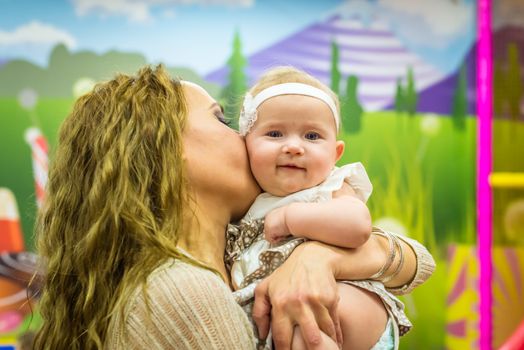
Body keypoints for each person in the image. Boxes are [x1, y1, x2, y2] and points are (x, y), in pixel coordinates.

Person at [32, 65, 435, 350]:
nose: (244, 139)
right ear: (168, 148)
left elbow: (420, 262)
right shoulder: (184, 293)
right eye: (223, 121)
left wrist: (319, 257)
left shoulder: (228, 248)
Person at [225, 67, 417, 350]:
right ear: (245, 144)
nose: (293, 147)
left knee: (306, 332)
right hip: (280, 317)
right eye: (275, 133)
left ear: (335, 153)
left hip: (344, 305)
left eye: (312, 137)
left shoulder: (331, 185)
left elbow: (358, 225)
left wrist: (292, 218)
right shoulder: (247, 200)